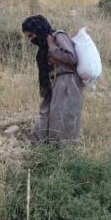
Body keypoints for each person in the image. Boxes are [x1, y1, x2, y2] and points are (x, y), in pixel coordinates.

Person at [22, 15, 84, 144]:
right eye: (28, 37)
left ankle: (62, 155)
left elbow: (71, 58)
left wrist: (52, 47)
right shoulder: (42, 48)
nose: (31, 40)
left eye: (31, 35)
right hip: (53, 84)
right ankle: (39, 147)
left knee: (63, 119)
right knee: (47, 114)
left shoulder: (57, 36)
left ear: (38, 29)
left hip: (66, 81)